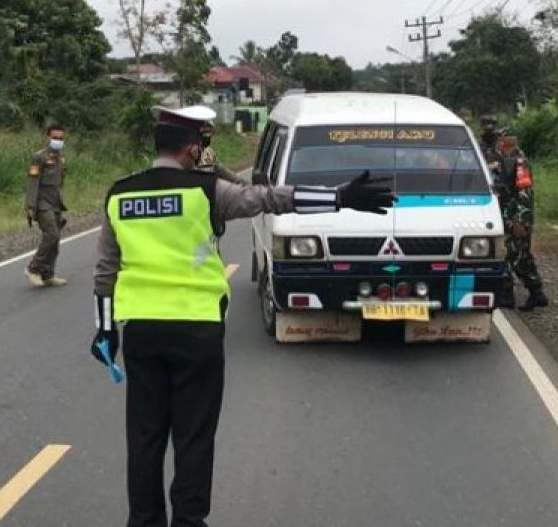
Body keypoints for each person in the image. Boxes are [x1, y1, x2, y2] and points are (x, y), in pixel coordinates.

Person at [92, 105, 394, 527]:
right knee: (193, 436)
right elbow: (270, 198)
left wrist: (105, 329)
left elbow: (105, 271)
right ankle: (189, 522)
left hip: (141, 331)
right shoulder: (206, 191)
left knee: (144, 437)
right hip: (197, 331)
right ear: (192, 148)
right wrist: (340, 197)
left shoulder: (119, 193)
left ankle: (143, 521)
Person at [496, 131, 548, 311]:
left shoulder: (520, 163)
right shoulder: (505, 160)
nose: (499, 144)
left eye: (501, 141)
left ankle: (525, 293)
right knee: (518, 256)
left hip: (517, 219)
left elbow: (525, 192)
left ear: (506, 142)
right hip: (508, 216)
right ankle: (535, 293)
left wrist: (519, 219)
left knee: (514, 256)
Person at [25, 125, 69, 287]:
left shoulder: (61, 159)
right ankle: (33, 268)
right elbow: (32, 181)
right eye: (55, 138)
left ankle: (48, 273)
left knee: (55, 239)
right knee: (51, 235)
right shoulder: (39, 157)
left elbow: (59, 184)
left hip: (55, 203)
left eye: (60, 138)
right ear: (47, 137)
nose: (57, 141)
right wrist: (30, 205)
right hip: (42, 203)